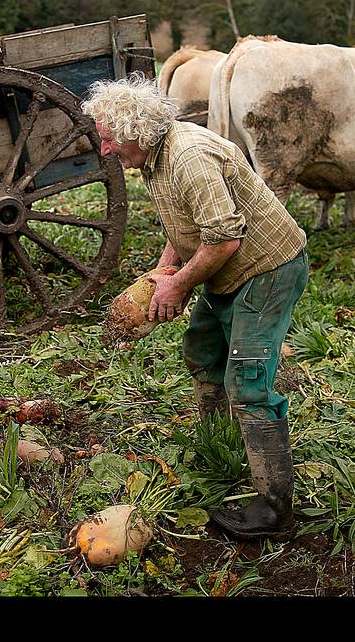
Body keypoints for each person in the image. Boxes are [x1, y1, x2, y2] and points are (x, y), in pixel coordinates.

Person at [81, 72, 310, 539]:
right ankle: (222, 442)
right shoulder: (155, 159)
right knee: (203, 350)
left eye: (107, 140)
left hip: (265, 270)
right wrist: (165, 271)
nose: (105, 150)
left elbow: (224, 238)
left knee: (248, 384)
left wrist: (179, 286)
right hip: (227, 270)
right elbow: (184, 223)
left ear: (131, 132)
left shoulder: (189, 158)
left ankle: (276, 509)